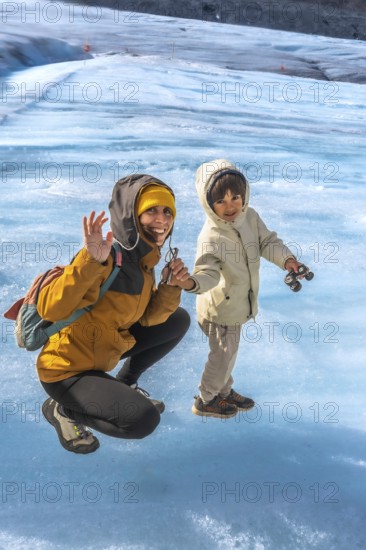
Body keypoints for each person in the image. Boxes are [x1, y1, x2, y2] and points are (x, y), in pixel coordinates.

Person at [39, 174, 191, 453]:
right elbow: (51, 308)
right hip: (67, 370)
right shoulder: (105, 256)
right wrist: (89, 261)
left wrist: (169, 288)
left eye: (168, 211)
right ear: (132, 215)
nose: (162, 219)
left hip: (102, 349)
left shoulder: (143, 262)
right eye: (152, 210)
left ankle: (124, 384)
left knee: (178, 319)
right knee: (143, 420)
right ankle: (64, 410)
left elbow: (147, 320)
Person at [175, 159, 304, 418]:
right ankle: (206, 398)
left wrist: (286, 259)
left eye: (235, 197)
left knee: (228, 353)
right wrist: (190, 283)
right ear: (209, 204)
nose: (231, 205)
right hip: (221, 308)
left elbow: (267, 241)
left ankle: (224, 391)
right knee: (222, 355)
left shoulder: (250, 217)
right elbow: (208, 273)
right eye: (221, 201)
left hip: (237, 304)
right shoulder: (210, 237)